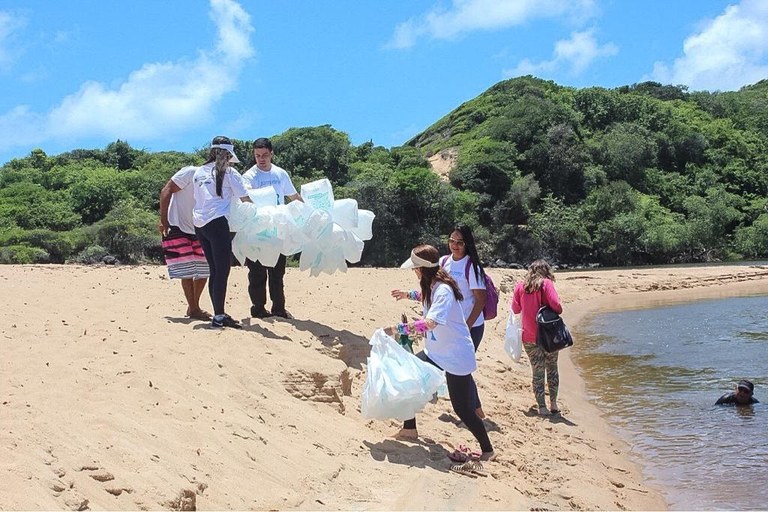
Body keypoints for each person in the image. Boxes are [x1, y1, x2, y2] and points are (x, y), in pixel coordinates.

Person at [386, 244, 495, 462]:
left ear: (422, 269)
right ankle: (409, 429)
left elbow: (431, 323)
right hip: (436, 352)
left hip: (455, 356)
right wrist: (407, 294)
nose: (413, 271)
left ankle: (487, 450)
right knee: (410, 376)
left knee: (462, 409)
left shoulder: (443, 290)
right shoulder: (432, 286)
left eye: (415, 268)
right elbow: (425, 297)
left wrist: (395, 330)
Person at [393, 225, 488, 419]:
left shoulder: (472, 267)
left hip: (469, 326)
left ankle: (475, 413)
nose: (455, 245)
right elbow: (433, 295)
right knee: (452, 369)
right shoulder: (444, 261)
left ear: (467, 244)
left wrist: (467, 325)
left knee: (460, 370)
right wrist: (408, 294)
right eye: (452, 241)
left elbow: (481, 300)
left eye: (459, 242)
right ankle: (471, 411)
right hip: (446, 327)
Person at [192, 136, 251, 329]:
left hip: (200, 225)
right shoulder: (230, 173)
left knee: (214, 270)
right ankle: (218, 318)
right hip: (218, 224)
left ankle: (218, 313)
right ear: (227, 154)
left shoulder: (198, 172)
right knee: (222, 271)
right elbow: (245, 200)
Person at [241, 137, 302, 319]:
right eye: (258, 155)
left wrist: (309, 212)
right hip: (256, 231)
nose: (261, 159)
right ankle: (258, 309)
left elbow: (293, 196)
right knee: (257, 272)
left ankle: (279, 309)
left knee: (277, 272)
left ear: (271, 154)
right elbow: (244, 202)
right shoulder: (249, 177)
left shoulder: (280, 174)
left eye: (265, 155)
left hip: (278, 229)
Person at [511, 259, 563, 417]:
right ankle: (553, 403)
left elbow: (515, 308)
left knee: (537, 370)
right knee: (552, 368)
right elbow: (557, 306)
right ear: (546, 271)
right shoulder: (546, 284)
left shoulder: (520, 286)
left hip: (529, 336)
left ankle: (542, 407)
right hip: (549, 335)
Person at [158, 166, 211, 321]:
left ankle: (193, 306)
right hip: (177, 224)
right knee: (186, 268)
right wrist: (164, 220)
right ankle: (194, 308)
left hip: (200, 226)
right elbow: (166, 190)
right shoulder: (190, 172)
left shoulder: (220, 179)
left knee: (205, 268)